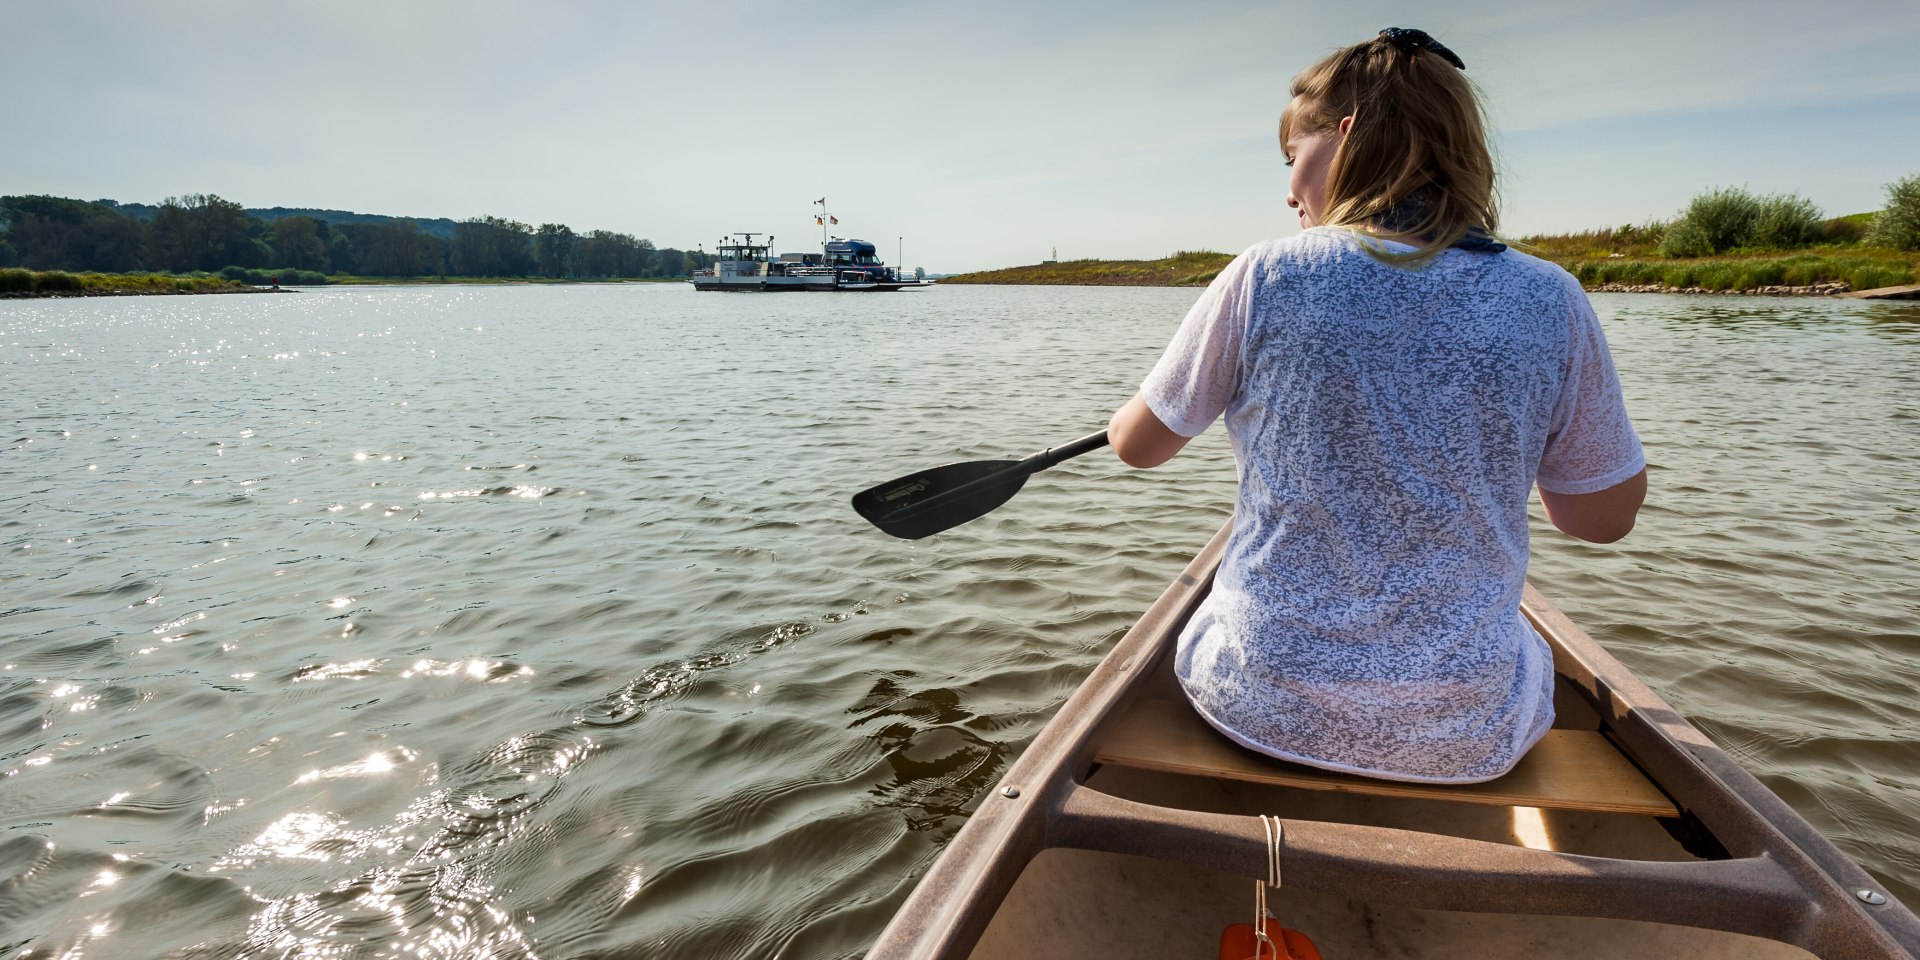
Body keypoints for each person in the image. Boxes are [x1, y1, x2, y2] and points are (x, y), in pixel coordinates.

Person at [1107, 28, 1647, 784]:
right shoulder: (1552, 298)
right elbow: (1602, 519)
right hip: (1467, 733)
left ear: (1349, 135)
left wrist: (1138, 411)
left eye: (1293, 157)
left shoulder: (1265, 274)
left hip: (1260, 704)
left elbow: (1136, 446)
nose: (1289, 189)